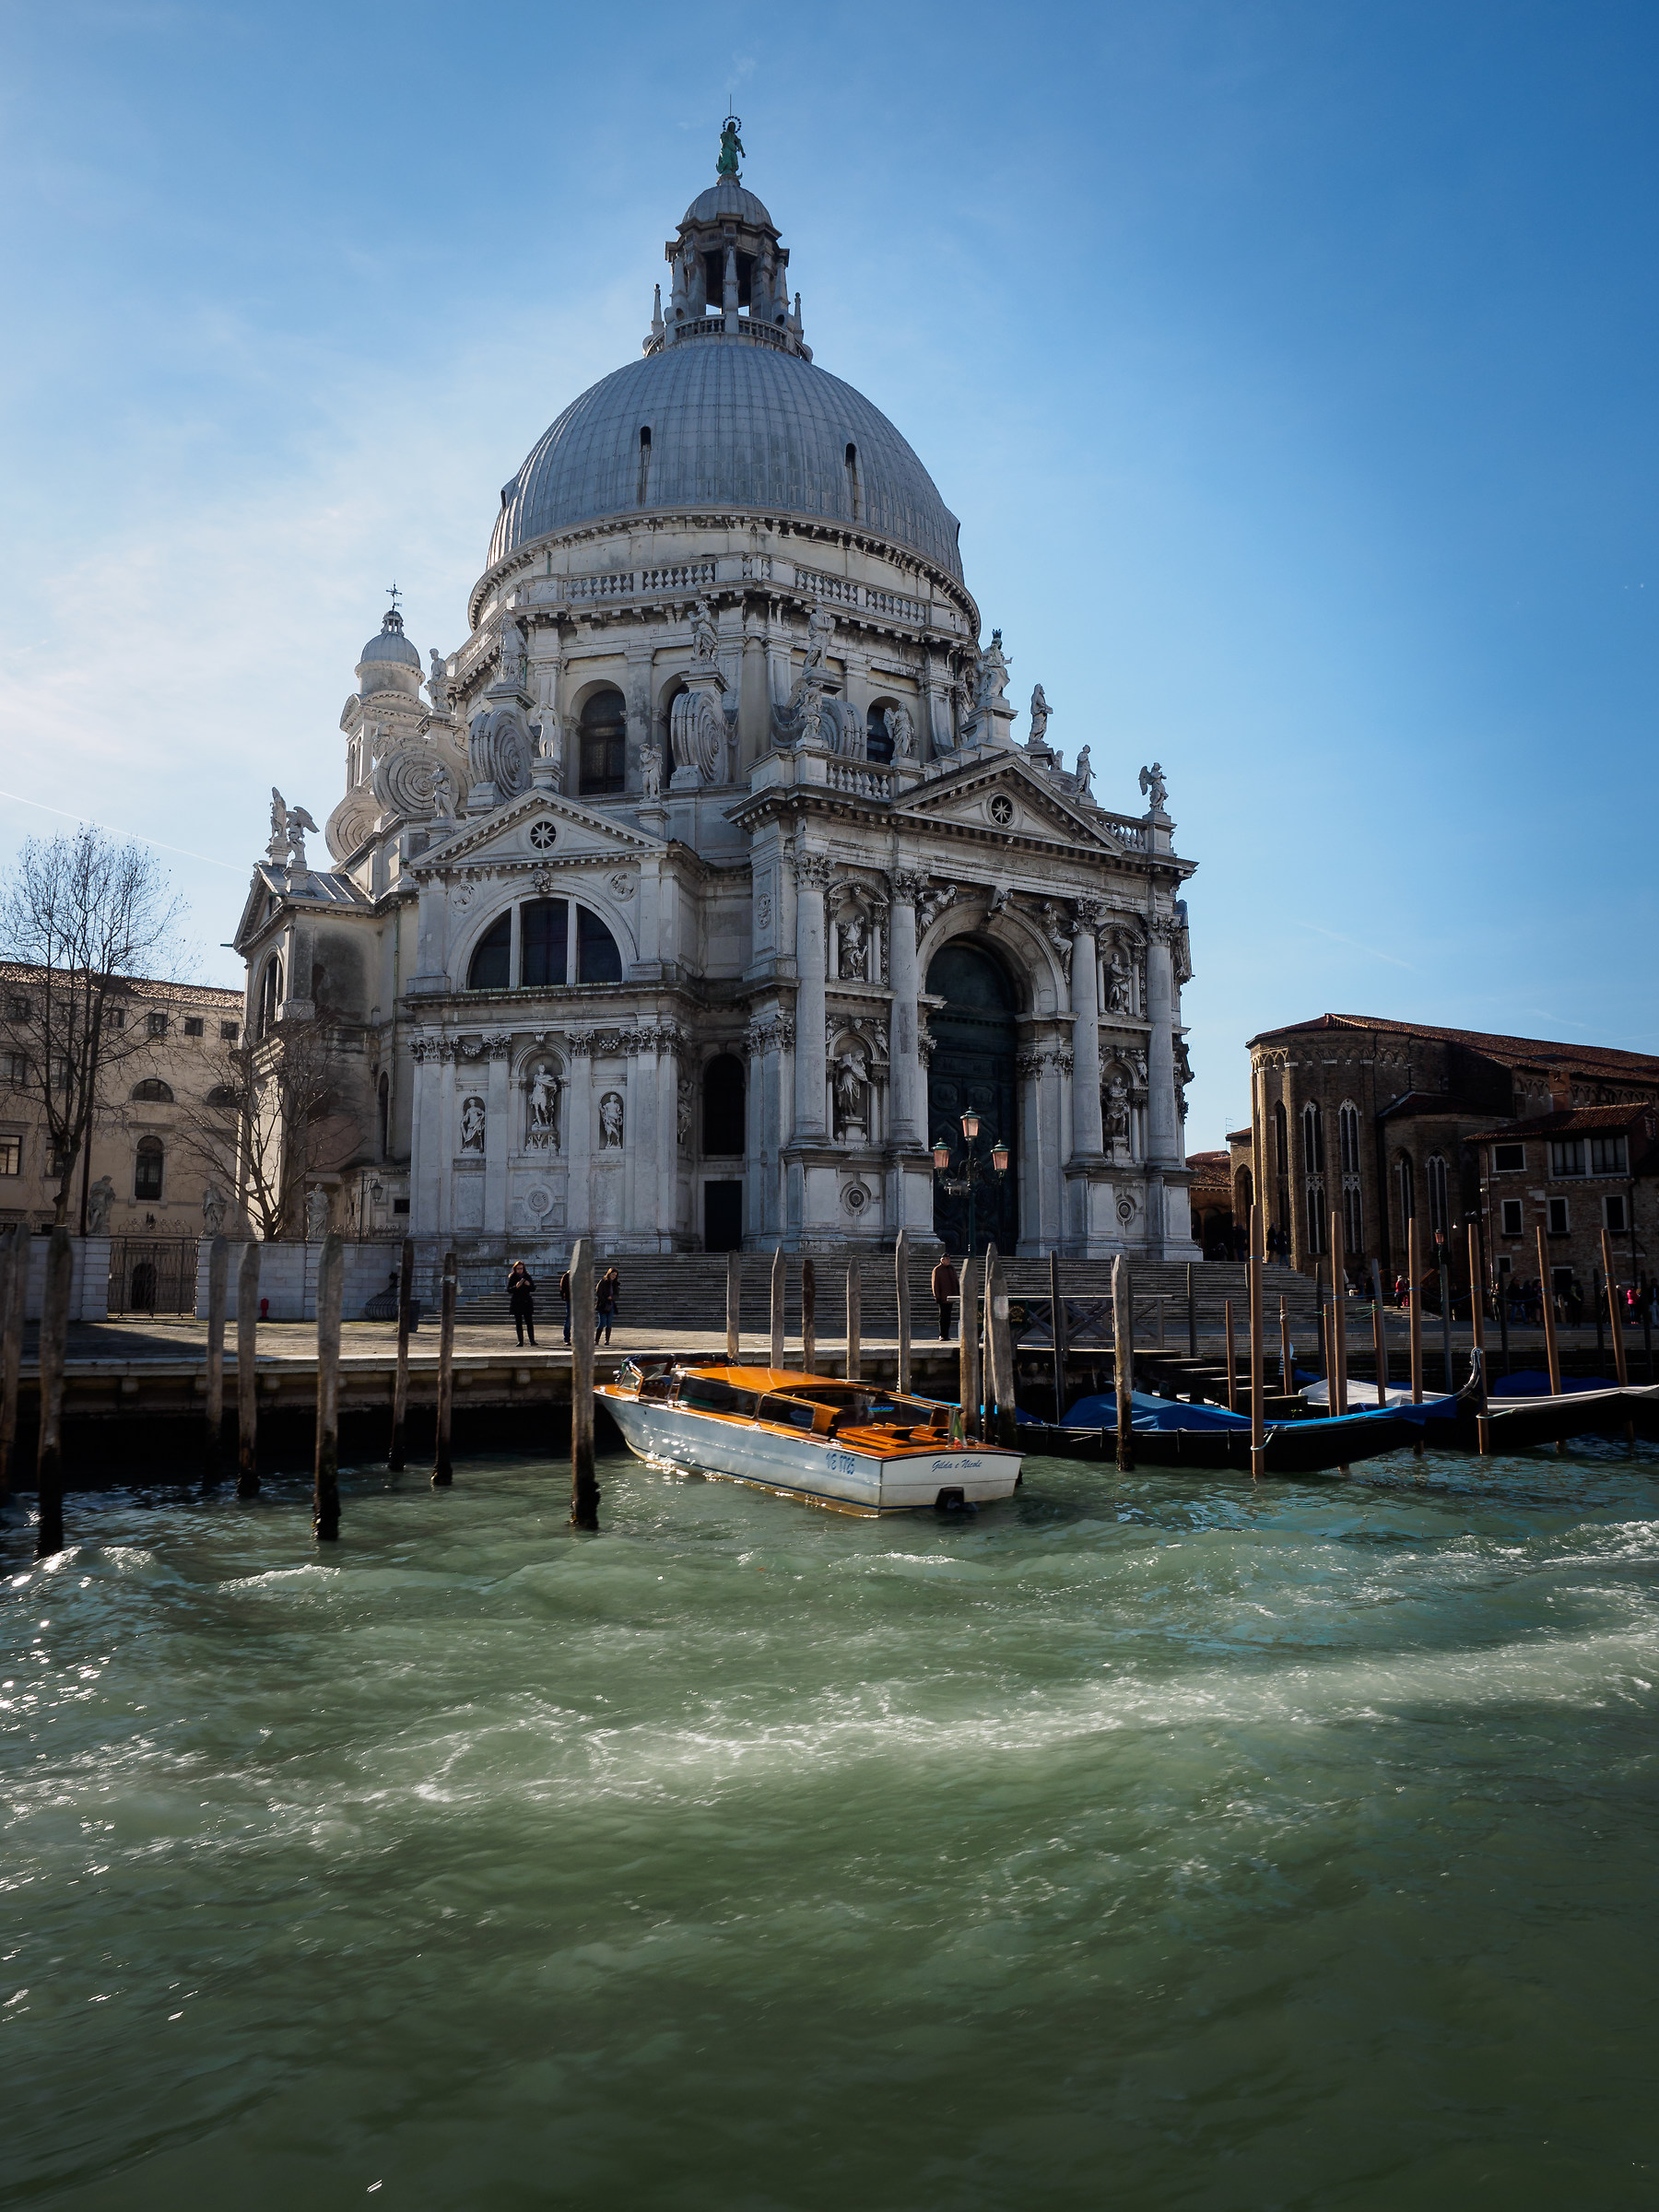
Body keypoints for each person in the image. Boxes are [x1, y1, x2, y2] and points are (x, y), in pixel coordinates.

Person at [507, 1260, 536, 1347]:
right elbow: (509, 1290)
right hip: (517, 1302)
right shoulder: (513, 1277)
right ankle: (520, 1341)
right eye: (518, 1269)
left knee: (529, 1322)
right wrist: (516, 1287)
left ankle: (532, 1340)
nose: (520, 1270)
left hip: (526, 1301)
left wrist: (528, 1284)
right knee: (518, 1322)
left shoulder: (527, 1276)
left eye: (521, 1268)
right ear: (515, 1269)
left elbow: (533, 1288)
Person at [931, 1253, 959, 1340]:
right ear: (942, 1260)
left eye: (949, 1259)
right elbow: (935, 1284)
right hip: (942, 1297)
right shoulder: (938, 1270)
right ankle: (942, 1334)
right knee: (943, 1316)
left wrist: (957, 1293)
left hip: (951, 1296)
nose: (948, 1261)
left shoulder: (951, 1269)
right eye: (946, 1259)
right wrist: (937, 1296)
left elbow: (955, 1281)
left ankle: (946, 1334)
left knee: (948, 1316)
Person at [595, 1265, 621, 1345]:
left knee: (609, 1323)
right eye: (612, 1274)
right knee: (602, 1322)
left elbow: (617, 1295)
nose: (613, 1276)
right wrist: (605, 1299)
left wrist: (612, 1297)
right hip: (602, 1305)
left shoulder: (615, 1284)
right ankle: (596, 1340)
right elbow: (598, 1292)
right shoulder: (603, 1282)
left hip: (611, 1305)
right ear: (609, 1274)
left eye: (615, 1275)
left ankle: (607, 1340)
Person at [558, 1265, 571, 1344]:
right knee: (569, 1319)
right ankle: (567, 1338)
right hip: (570, 1299)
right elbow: (562, 1288)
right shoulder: (567, 1276)